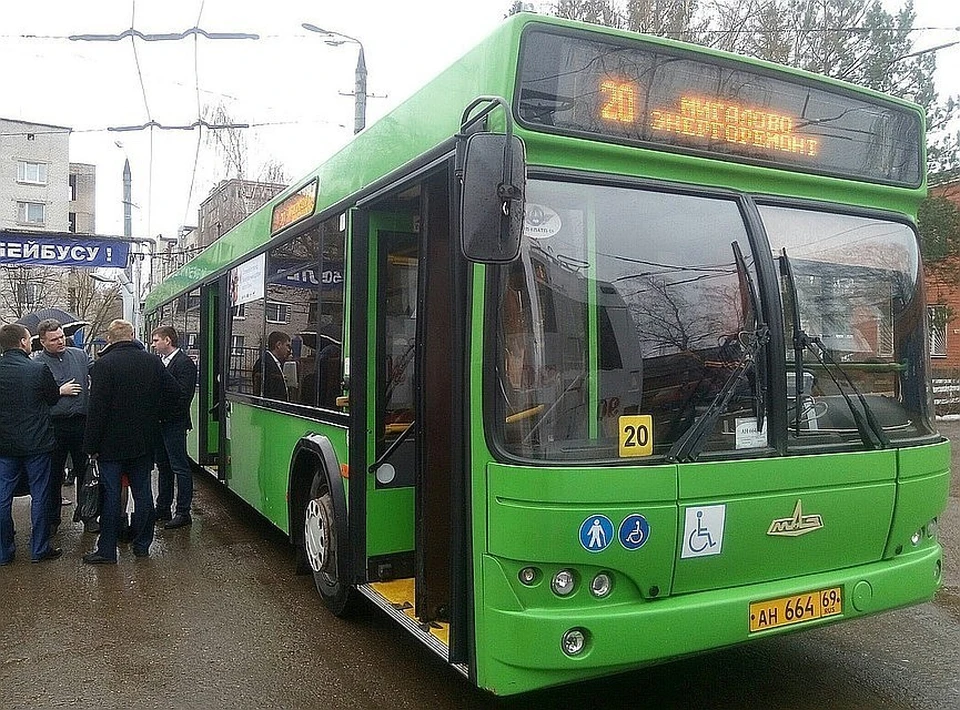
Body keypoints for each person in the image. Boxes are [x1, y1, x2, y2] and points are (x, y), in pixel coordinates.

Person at [82, 319, 179, 564]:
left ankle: (107, 551)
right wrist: (155, 415)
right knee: (143, 493)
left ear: (109, 338)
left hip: (110, 444)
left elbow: (97, 410)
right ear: (133, 335)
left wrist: (91, 446)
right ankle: (142, 545)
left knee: (112, 495)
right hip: (144, 441)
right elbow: (175, 393)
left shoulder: (103, 365)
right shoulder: (152, 361)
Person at [0, 323, 62, 564]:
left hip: (4, 445)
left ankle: (4, 552)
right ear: (24, 342)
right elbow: (53, 398)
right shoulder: (38, 369)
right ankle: (39, 549)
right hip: (37, 443)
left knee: (3, 498)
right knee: (40, 495)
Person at [34, 318, 95, 534]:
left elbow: (98, 373)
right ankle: (52, 521)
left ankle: (88, 515)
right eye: (54, 339)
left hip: (80, 423)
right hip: (53, 426)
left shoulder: (79, 355)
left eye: (61, 337)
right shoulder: (37, 364)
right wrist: (60, 391)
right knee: (53, 475)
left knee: (86, 473)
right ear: (43, 342)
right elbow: (34, 396)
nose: (60, 342)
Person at [150, 325, 198, 529]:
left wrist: (165, 416)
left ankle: (183, 512)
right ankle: (162, 508)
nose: (153, 345)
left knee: (179, 466)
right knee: (163, 466)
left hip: (174, 424)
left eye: (156, 340)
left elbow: (183, 396)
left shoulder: (184, 363)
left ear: (168, 340)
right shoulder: (160, 362)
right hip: (160, 423)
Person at [252, 330, 291, 401]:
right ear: (278, 345)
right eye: (287, 345)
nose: (289, 350)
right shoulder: (266, 363)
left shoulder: (273, 362)